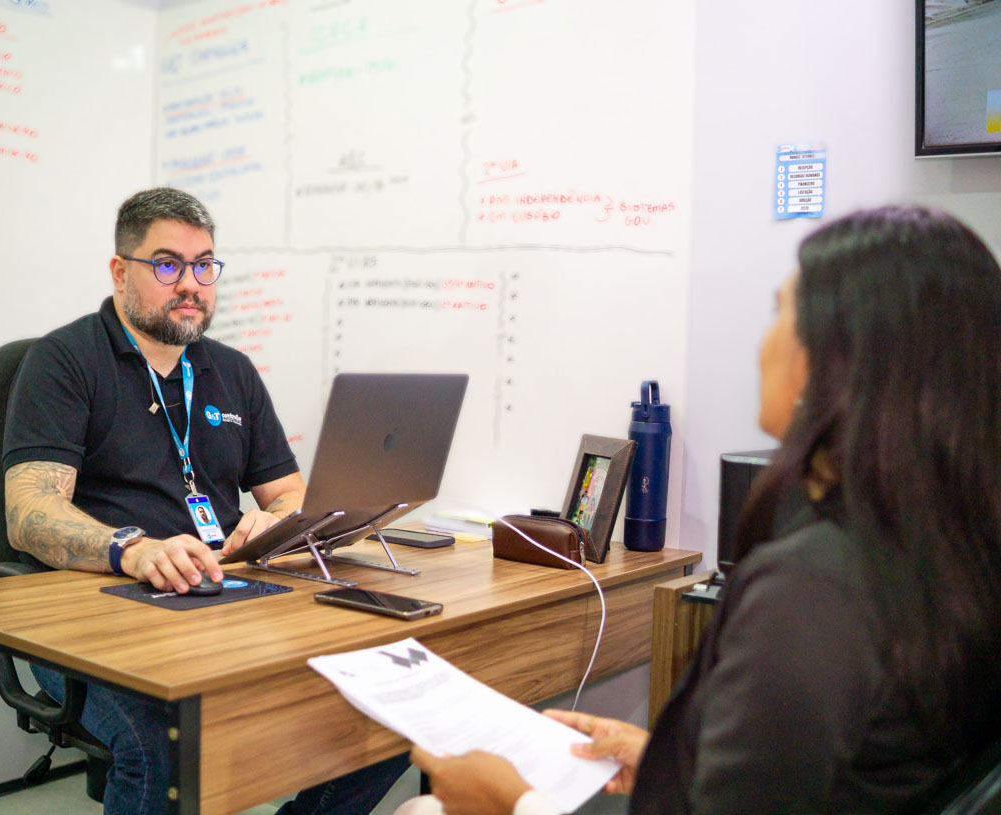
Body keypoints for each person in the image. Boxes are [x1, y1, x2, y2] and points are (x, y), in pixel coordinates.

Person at [404, 206, 1001, 814]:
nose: (764, 342)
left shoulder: (812, 589)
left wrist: (510, 803)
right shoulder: (955, 550)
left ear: (838, 358)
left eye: (781, 313)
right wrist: (671, 758)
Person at [3, 187, 407, 815]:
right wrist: (131, 550)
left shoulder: (232, 370)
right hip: (95, 612)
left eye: (204, 265)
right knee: (155, 745)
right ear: (120, 270)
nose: (190, 283)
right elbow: (29, 513)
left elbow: (291, 493)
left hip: (220, 599)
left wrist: (273, 525)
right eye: (167, 264)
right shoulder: (62, 361)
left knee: (392, 700)